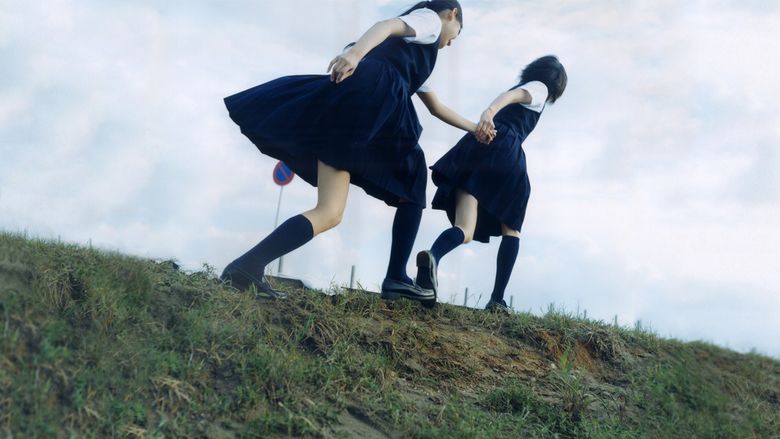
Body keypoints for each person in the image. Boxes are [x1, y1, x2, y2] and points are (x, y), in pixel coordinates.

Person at [220, 1, 485, 303]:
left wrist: (475, 127)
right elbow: (387, 25)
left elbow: (436, 108)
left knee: (330, 212)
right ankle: (396, 277)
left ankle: (246, 266)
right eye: (456, 34)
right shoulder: (430, 21)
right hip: (375, 95)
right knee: (412, 177)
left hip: (364, 102)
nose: (450, 42)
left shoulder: (414, 55)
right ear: (451, 14)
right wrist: (355, 53)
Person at [414, 55, 568, 312]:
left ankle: (433, 256)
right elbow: (516, 95)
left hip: (478, 145)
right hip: (505, 150)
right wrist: (489, 111)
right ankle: (497, 299)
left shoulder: (525, 86)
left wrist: (488, 117)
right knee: (512, 228)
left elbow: (512, 94)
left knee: (465, 229)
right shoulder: (540, 88)